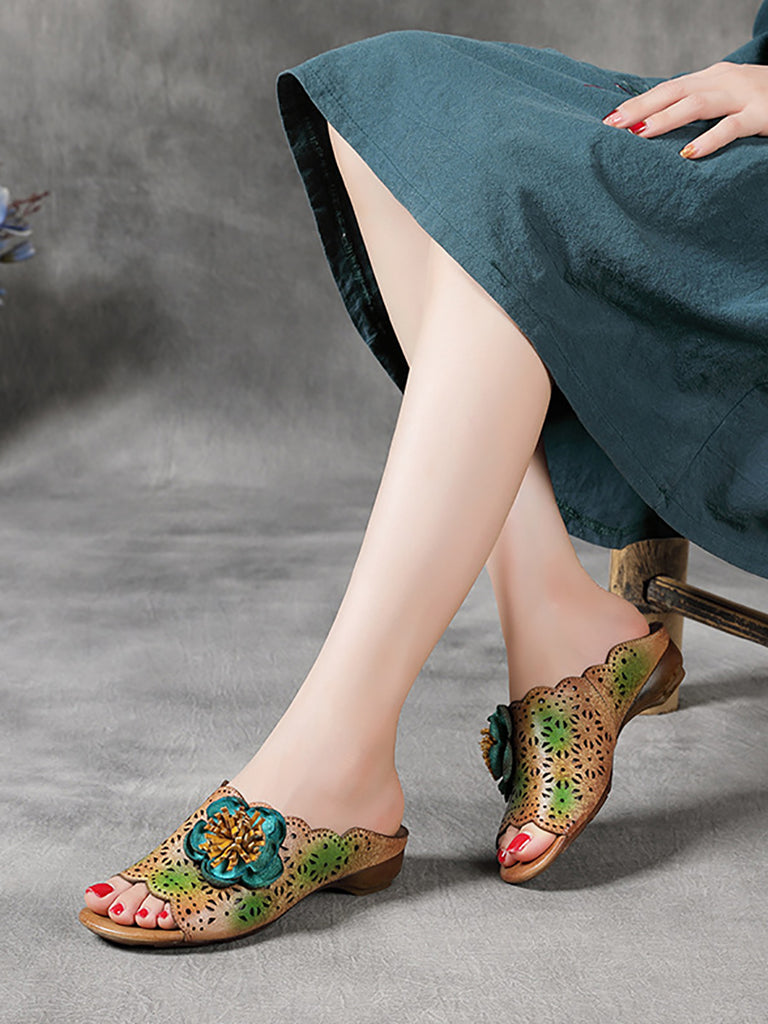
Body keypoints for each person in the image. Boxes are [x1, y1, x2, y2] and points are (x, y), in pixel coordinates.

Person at [78, 2, 768, 946]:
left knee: (510, 219)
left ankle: (335, 755)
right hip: (738, 119)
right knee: (388, 92)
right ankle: (549, 610)